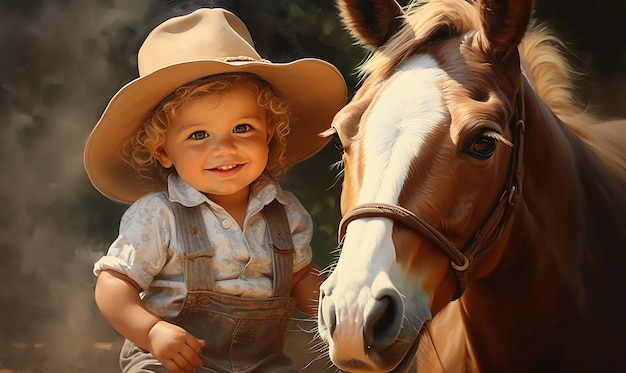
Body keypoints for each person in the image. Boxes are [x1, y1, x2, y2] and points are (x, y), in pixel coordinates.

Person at [84, 8, 346, 373]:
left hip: (260, 362)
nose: (224, 148)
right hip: (169, 359)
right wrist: (153, 331)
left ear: (269, 133)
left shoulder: (284, 211)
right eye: (198, 135)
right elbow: (114, 285)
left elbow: (299, 276)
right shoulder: (158, 215)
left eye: (242, 128)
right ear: (163, 151)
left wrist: (339, 306)